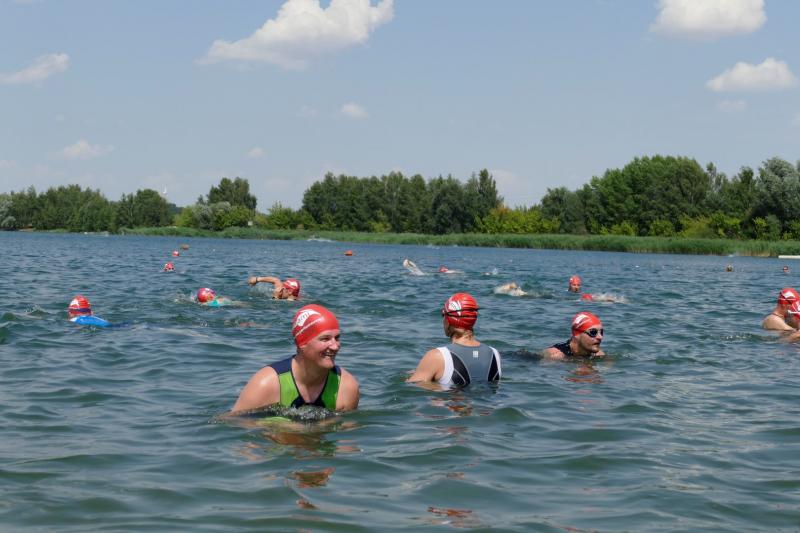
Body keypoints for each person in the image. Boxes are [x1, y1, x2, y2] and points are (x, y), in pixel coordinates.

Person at [231, 304, 359, 412]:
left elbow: (347, 432)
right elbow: (235, 424)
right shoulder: (267, 384)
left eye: (337, 338)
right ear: (302, 343)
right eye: (325, 339)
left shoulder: (346, 386)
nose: (335, 346)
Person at [407, 292, 501, 387]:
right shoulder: (495, 354)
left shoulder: (437, 356)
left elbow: (412, 388)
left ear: (449, 320)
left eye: (443, 315)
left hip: (451, 396)